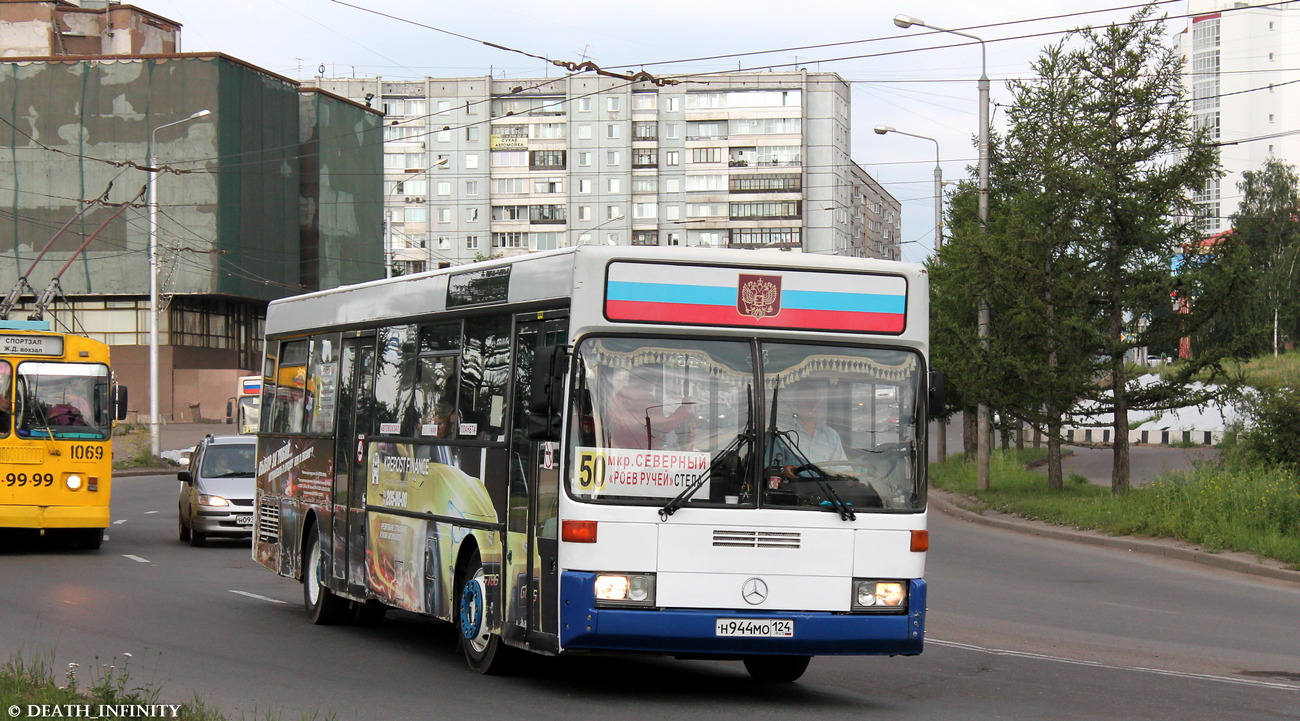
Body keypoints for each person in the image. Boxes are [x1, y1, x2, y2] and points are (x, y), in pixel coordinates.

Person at [601, 369, 693, 450]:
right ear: (645, 380)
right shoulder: (642, 397)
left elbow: (607, 419)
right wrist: (684, 409)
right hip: (642, 449)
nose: (655, 383)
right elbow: (662, 426)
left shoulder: (621, 395)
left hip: (622, 448)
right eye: (654, 379)